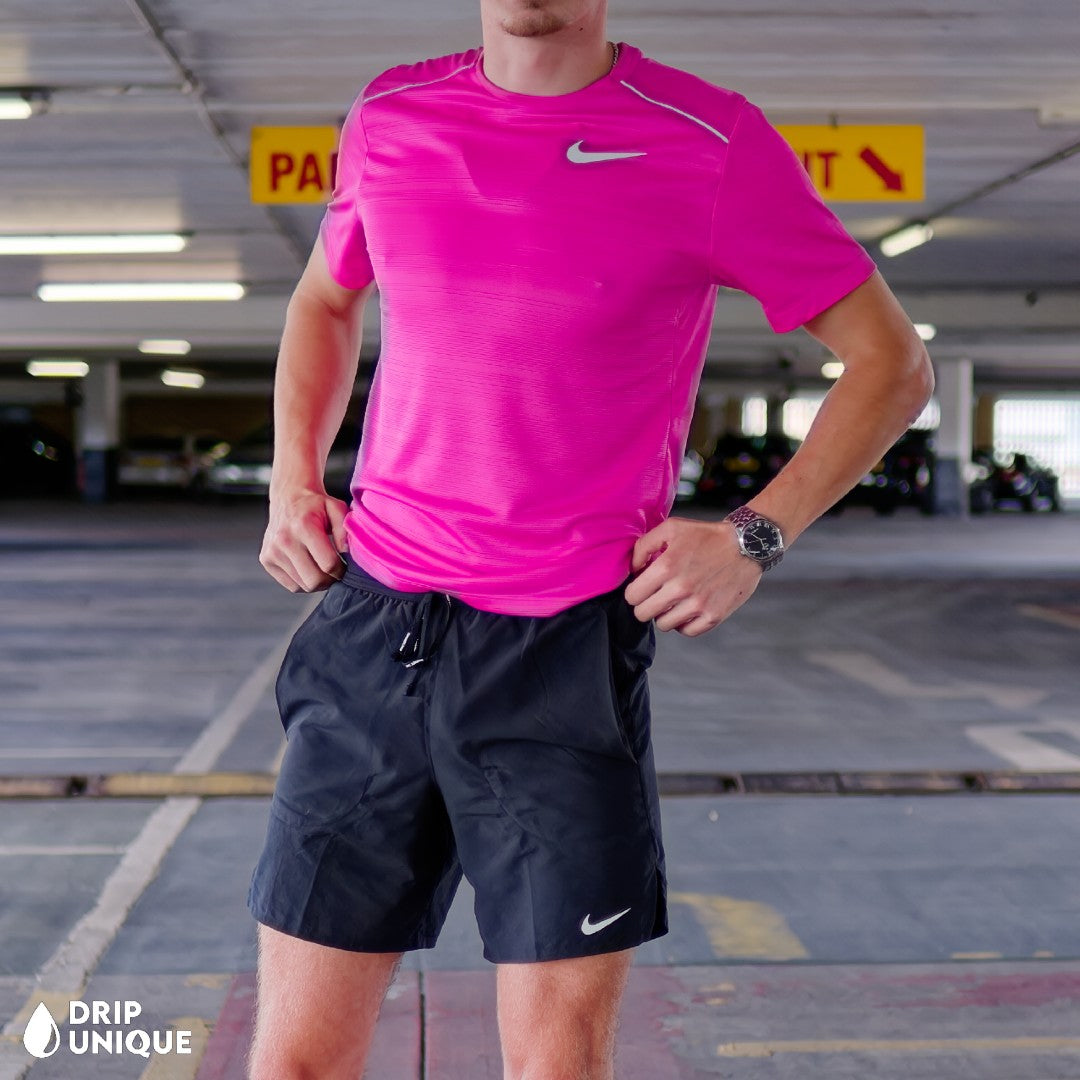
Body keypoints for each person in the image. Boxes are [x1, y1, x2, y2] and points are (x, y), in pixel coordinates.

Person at [246, 1, 934, 1076]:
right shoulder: (390, 114)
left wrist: (754, 536)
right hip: (375, 637)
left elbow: (893, 365)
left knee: (555, 1065)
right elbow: (325, 299)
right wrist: (294, 477)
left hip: (560, 653)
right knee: (293, 1060)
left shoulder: (709, 141)